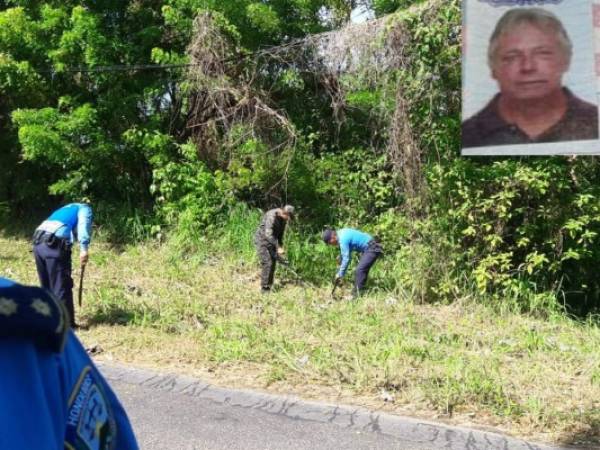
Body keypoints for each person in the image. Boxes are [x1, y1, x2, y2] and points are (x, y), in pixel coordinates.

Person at [0, 277, 139, 450]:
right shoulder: (27, 313)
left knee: (60, 284)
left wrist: (83, 248)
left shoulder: (25, 316)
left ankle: (72, 318)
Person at [462, 8, 598, 148]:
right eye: (512, 57)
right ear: (493, 68)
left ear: (566, 60)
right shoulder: (468, 135)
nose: (528, 67)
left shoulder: (595, 122)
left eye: (542, 54)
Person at [33, 202, 93, 327]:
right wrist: (84, 249)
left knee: (47, 286)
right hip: (54, 245)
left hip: (38, 243)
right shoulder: (84, 208)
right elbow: (83, 225)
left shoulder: (65, 209)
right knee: (61, 286)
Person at [322, 228, 383, 299]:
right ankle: (360, 291)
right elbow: (348, 252)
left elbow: (346, 259)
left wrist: (340, 274)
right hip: (370, 247)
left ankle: (355, 297)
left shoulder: (342, 239)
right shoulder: (341, 233)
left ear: (332, 237)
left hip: (372, 248)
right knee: (362, 269)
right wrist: (341, 256)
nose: (331, 245)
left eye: (330, 243)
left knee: (360, 270)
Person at [254, 205, 295, 292]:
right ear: (285, 213)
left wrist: (280, 246)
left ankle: (269, 285)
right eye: (288, 216)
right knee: (267, 262)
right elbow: (268, 234)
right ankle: (264, 288)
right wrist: (278, 247)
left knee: (273, 262)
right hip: (262, 240)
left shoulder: (283, 220)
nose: (288, 219)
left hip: (272, 241)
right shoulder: (271, 216)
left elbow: (280, 235)